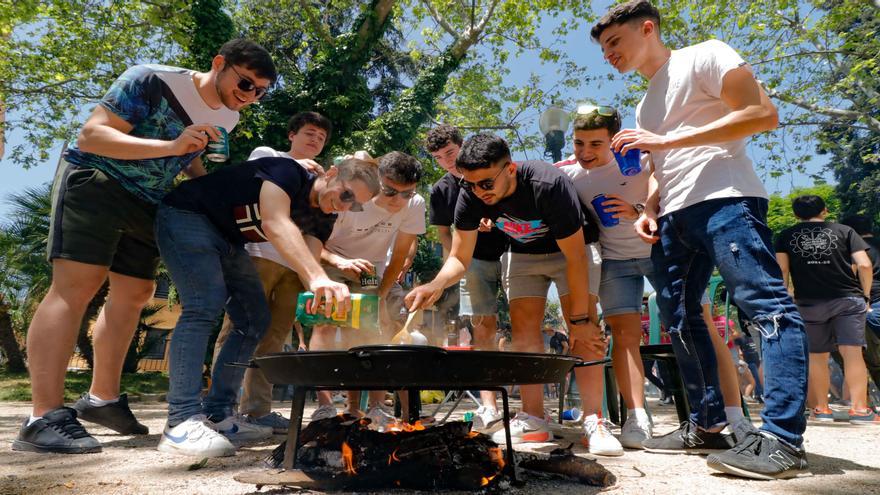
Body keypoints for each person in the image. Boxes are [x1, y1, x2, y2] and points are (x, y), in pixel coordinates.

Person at [12, 39, 277, 455]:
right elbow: (93, 135)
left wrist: (204, 189)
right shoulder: (151, 78)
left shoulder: (228, 116)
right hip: (96, 181)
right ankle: (41, 416)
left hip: (151, 202)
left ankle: (102, 400)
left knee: (134, 294)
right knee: (77, 286)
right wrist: (172, 145)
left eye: (260, 91)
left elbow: (188, 158)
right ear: (219, 63)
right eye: (245, 83)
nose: (249, 96)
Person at [592, 0, 810, 478]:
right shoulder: (645, 100)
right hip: (673, 216)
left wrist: (664, 142)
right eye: (603, 48)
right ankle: (707, 423)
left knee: (766, 307)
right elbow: (660, 166)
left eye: (614, 42)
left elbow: (762, 113)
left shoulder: (706, 54)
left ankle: (783, 440)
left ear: (647, 28)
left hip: (726, 199)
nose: (608, 53)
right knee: (680, 319)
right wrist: (649, 208)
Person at [407, 133, 623, 456]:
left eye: (486, 184)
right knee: (523, 330)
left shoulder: (547, 184)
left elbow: (576, 257)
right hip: (522, 254)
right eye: (471, 184)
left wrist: (578, 318)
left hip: (572, 251)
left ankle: (594, 420)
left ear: (510, 168)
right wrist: (433, 285)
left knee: (584, 328)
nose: (480, 192)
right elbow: (459, 257)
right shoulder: (470, 195)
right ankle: (534, 418)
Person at [155, 156, 379, 457]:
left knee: (254, 319)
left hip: (228, 240)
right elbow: (275, 222)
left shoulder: (325, 215)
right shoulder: (287, 172)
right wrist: (316, 278)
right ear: (333, 173)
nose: (345, 206)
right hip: (186, 215)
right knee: (202, 307)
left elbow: (310, 259)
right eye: (346, 194)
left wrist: (317, 285)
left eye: (355, 205)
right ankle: (180, 421)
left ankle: (219, 414)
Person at [210, 111, 333, 434]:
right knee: (239, 329)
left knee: (276, 337)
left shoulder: (322, 181)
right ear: (291, 134)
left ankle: (257, 410)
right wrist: (293, 168)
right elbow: (249, 190)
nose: (315, 140)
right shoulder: (268, 155)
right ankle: (218, 409)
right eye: (309, 133)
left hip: (295, 267)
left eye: (321, 138)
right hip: (256, 256)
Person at [307, 151, 425, 429]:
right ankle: (324, 405)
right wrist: (339, 263)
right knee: (325, 324)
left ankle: (373, 407)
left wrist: (381, 295)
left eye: (406, 194)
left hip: (371, 270)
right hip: (332, 259)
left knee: (370, 330)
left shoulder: (414, 204)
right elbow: (312, 241)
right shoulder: (353, 196)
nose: (398, 201)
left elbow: (398, 257)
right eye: (390, 191)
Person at [426, 124, 508, 429]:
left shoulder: (492, 170)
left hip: (515, 252)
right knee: (482, 327)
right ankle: (489, 405)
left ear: (462, 146)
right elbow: (444, 234)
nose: (447, 161)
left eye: (450, 152)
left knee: (528, 323)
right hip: (472, 262)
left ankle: (533, 406)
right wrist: (459, 257)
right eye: (438, 158)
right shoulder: (440, 190)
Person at [775, 195, 878, 425]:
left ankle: (822, 409)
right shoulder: (845, 231)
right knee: (852, 353)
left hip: (808, 302)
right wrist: (866, 295)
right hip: (848, 300)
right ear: (825, 211)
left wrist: (784, 300)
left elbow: (782, 270)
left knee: (816, 356)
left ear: (795, 215)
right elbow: (864, 264)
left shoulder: (785, 236)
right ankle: (859, 410)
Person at [840, 215, 880, 401]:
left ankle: (863, 402)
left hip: (868, 305)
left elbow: (855, 271)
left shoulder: (854, 248)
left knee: (869, 358)